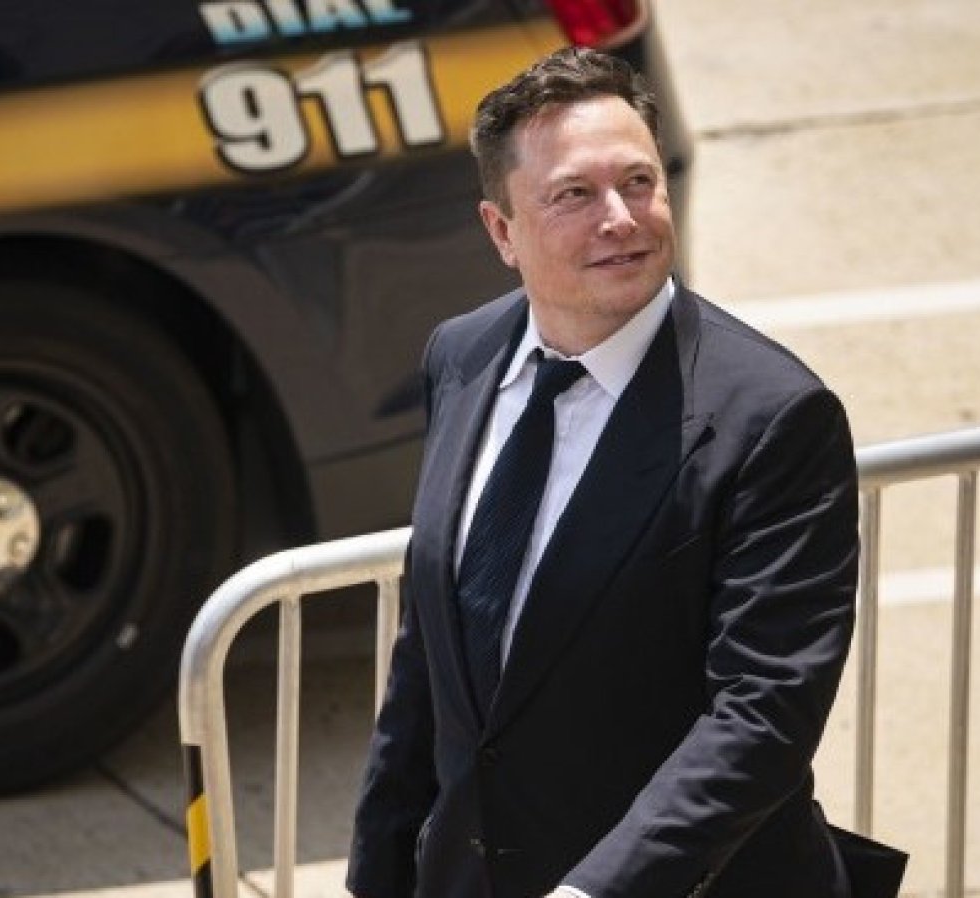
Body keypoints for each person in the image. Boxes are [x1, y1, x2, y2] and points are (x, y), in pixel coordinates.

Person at [348, 47, 860, 898]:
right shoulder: (461, 356)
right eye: (574, 195)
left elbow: (763, 712)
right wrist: (379, 874)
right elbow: (431, 658)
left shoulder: (774, 417)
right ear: (502, 232)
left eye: (638, 182)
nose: (620, 218)